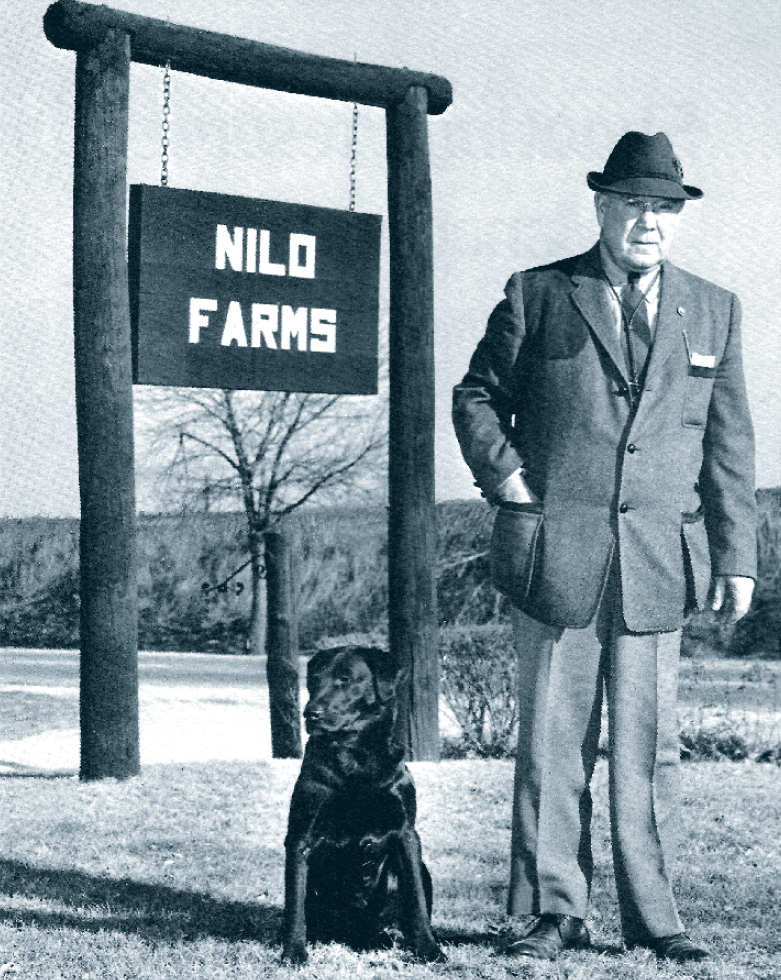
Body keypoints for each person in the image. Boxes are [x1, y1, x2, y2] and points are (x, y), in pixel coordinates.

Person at [452, 131, 757, 963]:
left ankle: (655, 919)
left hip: (659, 561)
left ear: (677, 217)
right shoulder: (538, 293)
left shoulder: (715, 309)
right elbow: (476, 397)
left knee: (649, 748)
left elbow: (729, 444)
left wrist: (737, 555)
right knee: (553, 744)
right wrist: (510, 483)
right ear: (601, 207)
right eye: (632, 205)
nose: (647, 222)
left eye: (663, 208)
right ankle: (553, 912)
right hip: (557, 557)